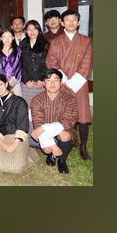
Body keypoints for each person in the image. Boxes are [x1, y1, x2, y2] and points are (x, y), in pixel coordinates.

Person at [46, 10, 93, 159]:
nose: (71, 23)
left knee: (83, 116)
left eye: (74, 20)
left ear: (78, 23)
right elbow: (51, 61)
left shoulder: (86, 41)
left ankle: (83, 147)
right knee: (64, 115)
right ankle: (69, 141)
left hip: (80, 83)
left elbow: (87, 63)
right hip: (62, 83)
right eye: (68, 20)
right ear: (62, 22)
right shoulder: (56, 42)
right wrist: (63, 79)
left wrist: (76, 81)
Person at [30, 69, 77, 174]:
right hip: (45, 133)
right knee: (47, 149)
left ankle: (62, 160)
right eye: (48, 80)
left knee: (64, 135)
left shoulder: (70, 98)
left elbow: (69, 120)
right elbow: (38, 124)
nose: (52, 84)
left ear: (60, 83)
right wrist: (53, 146)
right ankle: (52, 153)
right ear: (43, 83)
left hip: (65, 130)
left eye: (56, 80)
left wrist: (43, 128)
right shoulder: (36, 100)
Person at [0, 74, 32, 173]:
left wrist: (13, 145)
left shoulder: (20, 101)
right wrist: (3, 145)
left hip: (17, 138)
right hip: (1, 138)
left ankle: (27, 153)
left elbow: (23, 124)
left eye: (0, 84)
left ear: (6, 84)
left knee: (16, 168)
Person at [19, 20, 49, 107]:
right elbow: (20, 65)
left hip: (42, 83)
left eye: (34, 29)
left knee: (42, 107)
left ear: (39, 31)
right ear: (25, 31)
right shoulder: (22, 45)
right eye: (29, 29)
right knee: (27, 107)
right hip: (27, 83)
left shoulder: (46, 44)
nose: (32, 32)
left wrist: (42, 78)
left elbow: (48, 63)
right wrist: (26, 79)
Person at [0, 29, 23, 94]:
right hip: (0, 83)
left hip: (15, 82)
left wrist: (12, 82)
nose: (7, 39)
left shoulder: (18, 51)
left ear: (13, 38)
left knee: (17, 101)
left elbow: (20, 67)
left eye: (9, 37)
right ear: (1, 38)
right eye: (4, 37)